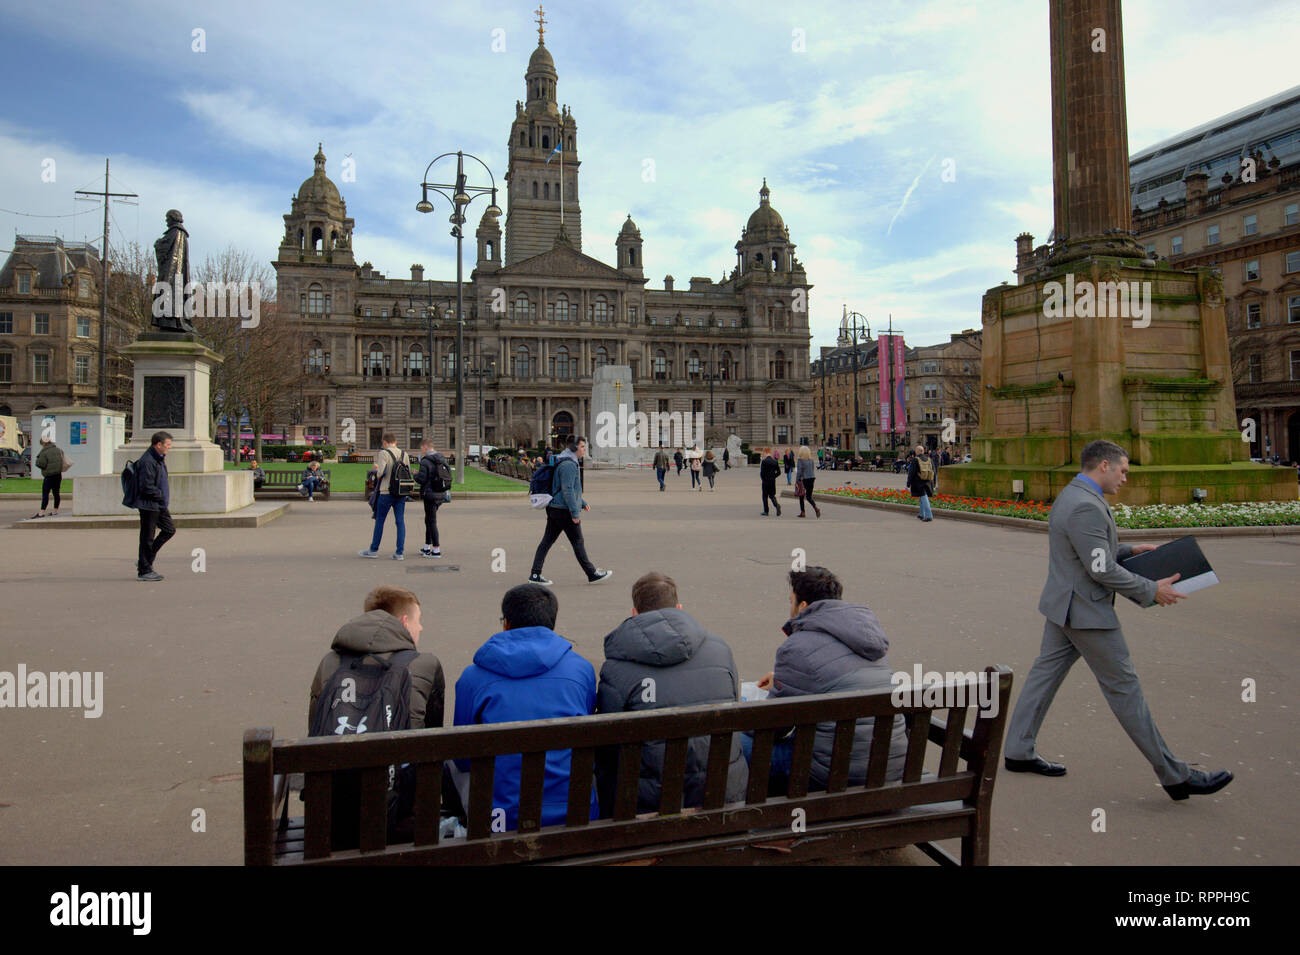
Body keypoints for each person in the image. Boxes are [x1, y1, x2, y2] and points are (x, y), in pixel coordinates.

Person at [1003, 440, 1232, 801]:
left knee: (1043, 678)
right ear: (1104, 466)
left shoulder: (1073, 494)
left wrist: (1128, 550)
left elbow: (1087, 554)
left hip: (1065, 606)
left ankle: (1018, 750)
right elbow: (1100, 568)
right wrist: (1150, 589)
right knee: (1126, 690)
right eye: (1123, 470)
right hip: (1087, 613)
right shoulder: (1085, 506)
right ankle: (1175, 776)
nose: (1126, 477)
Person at [595, 572, 747, 814]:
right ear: (679, 608)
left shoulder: (616, 668)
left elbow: (607, 743)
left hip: (647, 805)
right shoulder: (720, 651)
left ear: (634, 613)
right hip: (720, 796)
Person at [746, 567, 907, 793]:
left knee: (735, 747)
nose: (789, 607)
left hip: (834, 775)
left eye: (790, 601)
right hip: (889, 768)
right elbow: (839, 674)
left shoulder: (797, 647)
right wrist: (783, 679)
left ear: (803, 606)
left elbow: (775, 726)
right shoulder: (868, 637)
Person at [308, 585, 445, 847]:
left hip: (333, 817)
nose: (421, 629)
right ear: (404, 623)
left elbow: (314, 730)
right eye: (419, 621)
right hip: (398, 822)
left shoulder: (330, 663)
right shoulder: (424, 664)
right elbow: (431, 746)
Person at [452, 583, 599, 829]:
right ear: (552, 624)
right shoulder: (581, 669)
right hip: (574, 810)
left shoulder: (473, 677)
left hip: (503, 815)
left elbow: (463, 758)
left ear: (506, 623)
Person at [528, 436, 613, 585]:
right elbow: (567, 490)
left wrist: (582, 502)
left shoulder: (565, 460)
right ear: (573, 448)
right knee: (578, 542)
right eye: (582, 447)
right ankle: (592, 573)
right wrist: (575, 513)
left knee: (547, 542)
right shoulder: (569, 465)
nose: (584, 450)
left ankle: (535, 575)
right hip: (563, 510)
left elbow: (569, 489)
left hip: (556, 508)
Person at [358, 432, 408, 560]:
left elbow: (380, 473)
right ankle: (399, 552)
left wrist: (376, 471)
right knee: (400, 521)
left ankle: (373, 550)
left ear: (384, 442)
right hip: (401, 492)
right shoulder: (404, 454)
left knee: (380, 520)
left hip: (386, 491)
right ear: (395, 442)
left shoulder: (383, 453)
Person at [134, 432, 175, 582]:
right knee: (147, 537)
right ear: (159, 445)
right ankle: (144, 570)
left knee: (169, 530)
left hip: (158, 504)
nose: (169, 448)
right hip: (149, 504)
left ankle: (145, 561)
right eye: (168, 445)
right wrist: (160, 495)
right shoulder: (148, 461)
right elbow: (146, 486)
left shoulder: (157, 458)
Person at [415, 438, 450, 558]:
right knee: (428, 519)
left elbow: (422, 479)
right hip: (441, 492)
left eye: (421, 448)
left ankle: (436, 549)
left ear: (425, 447)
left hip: (429, 494)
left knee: (431, 521)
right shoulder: (442, 459)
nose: (421, 450)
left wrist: (415, 475)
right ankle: (426, 547)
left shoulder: (425, 461)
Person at [33, 437, 65, 518]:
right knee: (56, 493)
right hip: (58, 475)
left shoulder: (44, 452)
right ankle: (55, 511)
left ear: (43, 443)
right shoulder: (58, 450)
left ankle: (41, 512)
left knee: (45, 494)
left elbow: (41, 464)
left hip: (49, 476)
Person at [906, 445, 935, 522]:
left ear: (917, 451)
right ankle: (921, 514)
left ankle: (929, 515)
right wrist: (934, 483)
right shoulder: (929, 459)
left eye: (916, 451)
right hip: (928, 481)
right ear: (923, 451)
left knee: (923, 497)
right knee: (922, 497)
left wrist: (908, 482)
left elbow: (911, 472)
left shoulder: (916, 460)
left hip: (919, 482)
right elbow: (934, 471)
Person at [795, 445, 821, 518]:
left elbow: (799, 472)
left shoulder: (800, 460)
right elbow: (812, 470)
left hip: (804, 479)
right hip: (812, 478)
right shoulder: (811, 460)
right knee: (809, 497)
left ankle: (802, 512)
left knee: (801, 496)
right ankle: (816, 508)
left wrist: (797, 481)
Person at [759, 449, 782, 516]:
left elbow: (762, 473)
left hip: (765, 481)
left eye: (764, 453)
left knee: (765, 496)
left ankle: (766, 511)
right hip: (772, 481)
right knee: (772, 495)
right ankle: (776, 505)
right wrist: (773, 476)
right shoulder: (775, 461)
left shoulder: (764, 461)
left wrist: (763, 479)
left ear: (766, 453)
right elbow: (779, 472)